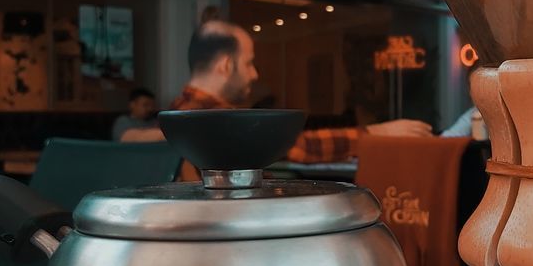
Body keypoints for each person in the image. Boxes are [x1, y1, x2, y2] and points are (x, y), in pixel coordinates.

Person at [170, 20, 431, 165]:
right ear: (226, 65)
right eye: (249, 63)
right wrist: (376, 133)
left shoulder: (175, 117)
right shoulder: (213, 123)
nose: (254, 74)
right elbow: (297, 147)